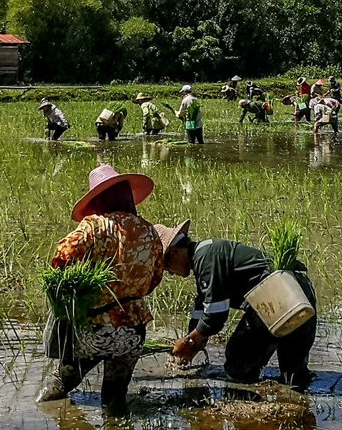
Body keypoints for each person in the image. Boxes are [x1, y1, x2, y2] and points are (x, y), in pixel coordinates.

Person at [37, 165, 165, 415]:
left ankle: (42, 417)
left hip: (95, 328)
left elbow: (61, 259)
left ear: (98, 199)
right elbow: (154, 280)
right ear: (127, 197)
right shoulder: (150, 231)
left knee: (62, 381)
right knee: (115, 398)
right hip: (133, 331)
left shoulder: (94, 226)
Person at [154, 220, 317, 388]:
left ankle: (249, 400)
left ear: (173, 252)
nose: (169, 273)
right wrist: (195, 341)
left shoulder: (206, 258)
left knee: (237, 363)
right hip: (301, 294)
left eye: (166, 267)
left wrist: (189, 341)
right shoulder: (206, 253)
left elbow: (215, 316)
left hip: (278, 299)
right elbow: (202, 305)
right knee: (293, 375)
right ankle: (297, 406)